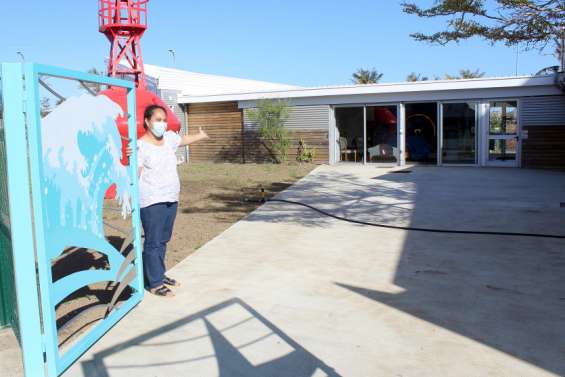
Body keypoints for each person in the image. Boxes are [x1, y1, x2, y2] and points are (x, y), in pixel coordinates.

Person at [132, 104, 209, 297]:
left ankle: (157, 273)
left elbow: (182, 140)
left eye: (164, 120)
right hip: (151, 200)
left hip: (170, 197)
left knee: (163, 240)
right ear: (147, 122)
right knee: (153, 241)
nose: (162, 123)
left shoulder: (168, 139)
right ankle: (154, 283)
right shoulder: (140, 146)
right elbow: (135, 174)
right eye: (158, 120)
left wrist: (200, 136)